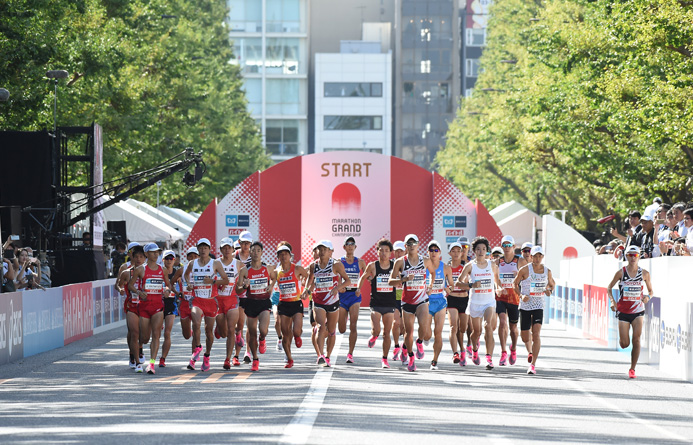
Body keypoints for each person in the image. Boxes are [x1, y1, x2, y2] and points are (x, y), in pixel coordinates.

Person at [606, 245, 654, 379]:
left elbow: (651, 291)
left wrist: (647, 297)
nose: (633, 257)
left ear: (639, 256)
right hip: (623, 311)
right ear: (626, 256)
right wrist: (612, 301)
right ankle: (623, 341)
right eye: (630, 255)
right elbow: (609, 287)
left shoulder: (644, 273)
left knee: (637, 340)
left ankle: (632, 369)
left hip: (638, 310)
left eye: (636, 255)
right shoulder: (621, 273)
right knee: (624, 343)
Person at [456, 236, 502, 370]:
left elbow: (497, 281)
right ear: (474, 251)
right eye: (478, 249)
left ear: (487, 250)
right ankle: (474, 349)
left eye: (483, 249)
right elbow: (459, 283)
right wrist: (471, 285)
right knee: (476, 332)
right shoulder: (470, 266)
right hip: (475, 303)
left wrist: (499, 288)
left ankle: (489, 358)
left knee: (488, 327)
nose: (481, 251)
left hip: (489, 302)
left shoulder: (492, 264)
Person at [303, 240, 351, 367]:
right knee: (320, 326)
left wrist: (337, 288)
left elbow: (348, 280)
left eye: (325, 249)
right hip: (318, 300)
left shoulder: (336, 265)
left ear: (330, 251)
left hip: (332, 301)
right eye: (320, 249)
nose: (322, 251)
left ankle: (328, 356)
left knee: (331, 330)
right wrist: (306, 291)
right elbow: (310, 280)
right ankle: (320, 355)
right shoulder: (314, 265)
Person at [184, 238, 229, 372]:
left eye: (205, 248)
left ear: (209, 249)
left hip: (211, 300)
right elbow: (186, 275)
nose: (203, 250)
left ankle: (207, 356)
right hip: (197, 299)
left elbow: (226, 280)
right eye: (201, 248)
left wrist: (213, 281)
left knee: (209, 331)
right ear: (197, 249)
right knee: (196, 323)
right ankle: (198, 347)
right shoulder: (192, 263)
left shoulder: (215, 263)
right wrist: (189, 283)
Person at [128, 243, 172, 374]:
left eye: (157, 252)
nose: (156, 254)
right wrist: (139, 292)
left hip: (158, 306)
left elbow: (168, 285)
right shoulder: (140, 269)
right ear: (146, 254)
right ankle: (138, 349)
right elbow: (130, 285)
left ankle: (152, 363)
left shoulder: (162, 269)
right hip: (144, 306)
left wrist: (167, 290)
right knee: (144, 338)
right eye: (153, 252)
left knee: (156, 335)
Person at [389, 234, 429, 372]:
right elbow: (390, 281)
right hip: (406, 300)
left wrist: (429, 286)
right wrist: (404, 279)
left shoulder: (425, 260)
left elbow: (434, 273)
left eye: (414, 243)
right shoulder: (400, 262)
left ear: (418, 245)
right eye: (409, 244)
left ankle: (419, 342)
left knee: (424, 326)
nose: (412, 246)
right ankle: (410, 356)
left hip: (422, 298)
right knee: (409, 331)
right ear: (405, 246)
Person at [513, 246, 555, 375]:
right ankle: (530, 351)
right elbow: (515, 284)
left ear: (543, 257)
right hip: (525, 306)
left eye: (540, 256)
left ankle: (533, 365)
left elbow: (552, 284)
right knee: (525, 337)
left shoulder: (547, 271)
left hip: (539, 305)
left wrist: (549, 291)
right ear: (531, 256)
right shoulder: (524, 269)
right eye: (535, 256)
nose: (537, 259)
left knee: (536, 334)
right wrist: (521, 296)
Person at [235, 241, 276, 371]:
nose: (256, 253)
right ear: (250, 253)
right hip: (251, 303)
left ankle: (262, 339)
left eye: (259, 250)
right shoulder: (244, 270)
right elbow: (237, 290)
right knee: (252, 333)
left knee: (262, 330)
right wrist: (245, 286)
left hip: (264, 302)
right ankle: (255, 359)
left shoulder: (267, 268)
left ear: (262, 253)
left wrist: (271, 286)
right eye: (254, 250)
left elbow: (275, 277)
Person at [356, 239, 397, 368]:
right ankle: (374, 336)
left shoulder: (395, 265)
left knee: (387, 333)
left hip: (390, 303)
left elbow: (401, 278)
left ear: (391, 253)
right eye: (381, 250)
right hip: (376, 302)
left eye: (386, 251)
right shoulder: (373, 266)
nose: (384, 253)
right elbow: (363, 278)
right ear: (377, 252)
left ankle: (384, 359)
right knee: (377, 330)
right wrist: (358, 288)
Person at [275, 242, 309, 368]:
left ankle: (298, 335)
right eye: (281, 254)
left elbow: (310, 277)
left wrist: (307, 290)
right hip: (283, 304)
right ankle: (289, 359)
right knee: (285, 334)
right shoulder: (277, 271)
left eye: (286, 254)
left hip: (296, 303)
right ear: (278, 257)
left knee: (296, 331)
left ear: (290, 256)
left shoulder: (297, 268)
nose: (284, 257)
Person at [495, 235, 526, 366]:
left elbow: (527, 278)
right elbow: (494, 278)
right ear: (502, 247)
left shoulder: (520, 261)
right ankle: (503, 352)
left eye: (509, 246)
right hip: (501, 297)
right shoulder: (497, 262)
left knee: (513, 328)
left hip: (515, 297)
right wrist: (497, 287)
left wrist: (518, 278)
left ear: (514, 247)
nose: (507, 248)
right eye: (505, 245)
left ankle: (513, 349)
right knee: (502, 323)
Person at [214, 238, 244, 370]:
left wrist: (245, 284)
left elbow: (246, 277)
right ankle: (219, 328)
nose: (227, 250)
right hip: (218, 301)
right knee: (224, 333)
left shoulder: (238, 264)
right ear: (220, 250)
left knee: (231, 330)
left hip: (232, 300)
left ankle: (227, 359)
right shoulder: (215, 263)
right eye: (224, 248)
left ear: (233, 249)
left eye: (229, 248)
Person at [424, 240, 454, 370]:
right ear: (428, 252)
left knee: (438, 332)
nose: (433, 252)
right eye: (431, 250)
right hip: (427, 302)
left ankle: (434, 361)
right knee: (427, 333)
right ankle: (425, 338)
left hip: (440, 303)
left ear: (440, 252)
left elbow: (451, 284)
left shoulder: (446, 267)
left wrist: (449, 289)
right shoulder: (424, 266)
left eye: (436, 250)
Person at [117, 245, 146, 371]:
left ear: (145, 258)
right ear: (132, 257)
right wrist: (121, 289)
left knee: (143, 335)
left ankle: (139, 348)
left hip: (146, 306)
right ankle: (135, 359)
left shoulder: (150, 272)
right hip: (131, 305)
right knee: (133, 332)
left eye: (141, 257)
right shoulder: (126, 271)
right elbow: (117, 284)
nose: (139, 259)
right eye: (136, 257)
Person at [338, 236, 366, 364]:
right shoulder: (339, 262)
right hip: (343, 296)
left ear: (355, 247)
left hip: (354, 296)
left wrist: (360, 286)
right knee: (342, 329)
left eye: (352, 244)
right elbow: (337, 276)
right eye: (347, 244)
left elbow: (366, 275)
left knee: (353, 325)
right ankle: (343, 318)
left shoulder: (360, 262)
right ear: (344, 247)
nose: (350, 246)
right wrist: (340, 286)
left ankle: (350, 354)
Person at [170, 246, 198, 348]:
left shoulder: (203, 270)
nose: (193, 258)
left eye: (195, 256)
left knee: (196, 331)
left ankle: (194, 358)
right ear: (187, 258)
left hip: (197, 304)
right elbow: (171, 283)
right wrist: (177, 293)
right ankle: (190, 332)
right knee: (186, 335)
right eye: (191, 256)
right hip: (184, 304)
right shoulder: (181, 270)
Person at [446, 242, 468, 366]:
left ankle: (462, 349)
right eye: (453, 251)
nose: (455, 253)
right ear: (449, 253)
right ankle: (455, 353)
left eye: (458, 251)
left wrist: (465, 285)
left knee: (462, 329)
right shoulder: (446, 267)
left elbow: (471, 285)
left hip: (464, 299)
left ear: (461, 253)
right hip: (452, 299)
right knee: (453, 326)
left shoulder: (466, 267)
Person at [234, 230, 253, 364]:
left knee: (250, 325)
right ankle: (236, 355)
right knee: (239, 325)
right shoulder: (235, 256)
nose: (245, 245)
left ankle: (247, 353)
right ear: (239, 242)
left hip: (251, 294)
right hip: (238, 292)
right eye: (243, 243)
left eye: (248, 243)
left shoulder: (254, 256)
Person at [159, 249, 181, 367]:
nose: (169, 261)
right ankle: (152, 355)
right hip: (158, 304)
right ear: (163, 260)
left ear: (174, 260)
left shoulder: (177, 273)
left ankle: (163, 358)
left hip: (171, 304)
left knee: (167, 333)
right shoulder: (158, 272)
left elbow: (182, 287)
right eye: (166, 259)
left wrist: (178, 293)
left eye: (171, 259)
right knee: (156, 334)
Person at [390, 240, 406, 364]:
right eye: (396, 251)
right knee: (396, 323)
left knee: (405, 327)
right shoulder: (390, 265)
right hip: (394, 297)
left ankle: (405, 349)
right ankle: (396, 346)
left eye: (401, 251)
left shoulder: (409, 263)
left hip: (407, 297)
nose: (398, 253)